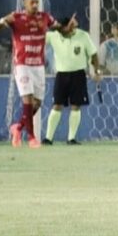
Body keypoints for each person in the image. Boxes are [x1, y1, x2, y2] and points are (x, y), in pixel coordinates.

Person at [0, 0, 60, 148]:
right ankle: (32, 138)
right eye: (31, 2)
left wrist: (68, 26)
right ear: (24, 3)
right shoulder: (16, 18)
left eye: (36, 2)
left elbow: (60, 28)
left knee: (37, 103)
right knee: (27, 100)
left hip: (39, 66)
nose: (35, 5)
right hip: (22, 65)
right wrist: (2, 21)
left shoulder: (45, 17)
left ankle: (17, 127)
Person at [43, 15, 102, 145]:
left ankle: (71, 138)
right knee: (57, 105)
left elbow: (93, 55)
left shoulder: (83, 36)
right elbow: (38, 37)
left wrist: (97, 71)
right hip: (61, 75)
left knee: (76, 105)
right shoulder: (53, 36)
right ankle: (48, 138)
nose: (64, 33)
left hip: (78, 74)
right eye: (62, 31)